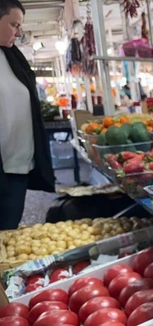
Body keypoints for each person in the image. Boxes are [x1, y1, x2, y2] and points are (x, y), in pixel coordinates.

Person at [0, 0, 55, 230]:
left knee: (8, 233)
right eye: (14, 24)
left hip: (17, 168)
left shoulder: (13, 58)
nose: (19, 32)